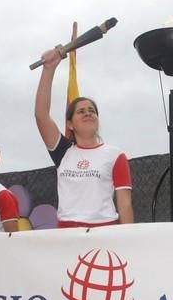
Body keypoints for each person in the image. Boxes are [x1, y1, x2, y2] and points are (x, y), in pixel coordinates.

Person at [34, 48, 134, 228]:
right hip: (67, 232)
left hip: (104, 230)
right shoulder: (62, 151)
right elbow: (41, 115)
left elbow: (125, 205)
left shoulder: (115, 155)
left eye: (92, 111)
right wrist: (49, 69)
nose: (88, 113)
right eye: (81, 111)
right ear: (70, 124)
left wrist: (127, 241)